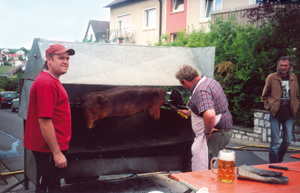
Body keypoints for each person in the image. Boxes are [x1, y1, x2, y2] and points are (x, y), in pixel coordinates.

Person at [24, 44, 75, 192]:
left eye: (67, 58)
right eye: (61, 58)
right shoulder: (47, 83)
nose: (65, 61)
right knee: (46, 187)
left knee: (52, 186)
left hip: (50, 148)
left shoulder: (51, 79)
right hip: (49, 150)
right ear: (49, 59)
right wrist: (57, 153)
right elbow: (44, 122)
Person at [175, 64, 233, 171]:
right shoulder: (210, 81)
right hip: (222, 130)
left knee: (206, 167)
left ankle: (204, 187)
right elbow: (209, 106)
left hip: (217, 133)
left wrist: (207, 132)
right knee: (210, 164)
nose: (184, 87)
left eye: (182, 84)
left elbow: (210, 115)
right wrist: (189, 112)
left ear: (185, 81)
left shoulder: (201, 91)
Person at [261, 56, 299, 163]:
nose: (283, 67)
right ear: (278, 66)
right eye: (281, 65)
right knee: (274, 143)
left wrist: (295, 106)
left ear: (289, 66)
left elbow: (296, 95)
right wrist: (269, 107)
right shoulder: (271, 77)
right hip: (275, 114)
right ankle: (274, 164)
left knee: (287, 141)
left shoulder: (293, 78)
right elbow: (264, 96)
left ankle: (279, 159)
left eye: (285, 65)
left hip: (288, 114)